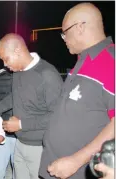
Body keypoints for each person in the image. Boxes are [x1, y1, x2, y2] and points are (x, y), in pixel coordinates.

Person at [39, 3, 115, 179]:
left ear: (80, 27)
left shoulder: (111, 62)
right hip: (55, 167)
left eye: (65, 32)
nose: (63, 38)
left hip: (78, 171)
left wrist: (76, 161)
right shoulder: (82, 62)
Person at [0, 33, 63, 179]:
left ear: (17, 51)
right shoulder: (18, 72)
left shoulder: (47, 74)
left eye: (6, 59)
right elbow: (15, 96)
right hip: (20, 143)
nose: (5, 65)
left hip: (40, 147)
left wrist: (21, 124)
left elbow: (58, 116)